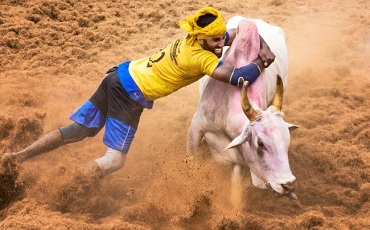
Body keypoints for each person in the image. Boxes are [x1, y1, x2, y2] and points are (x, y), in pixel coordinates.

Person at [0, 7, 275, 179]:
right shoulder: (199, 58)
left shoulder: (196, 38)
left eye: (220, 39)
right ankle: (69, 184)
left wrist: (260, 43)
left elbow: (243, 30)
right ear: (200, 38)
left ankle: (17, 157)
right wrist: (263, 60)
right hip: (129, 93)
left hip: (117, 75)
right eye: (215, 41)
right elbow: (239, 77)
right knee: (115, 160)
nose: (219, 45)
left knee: (78, 130)